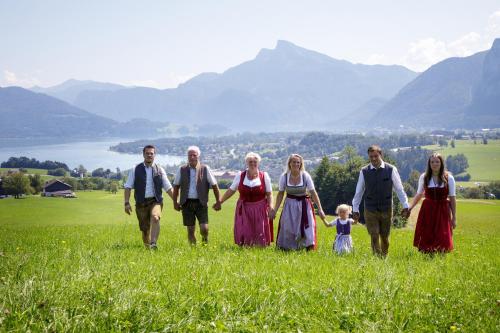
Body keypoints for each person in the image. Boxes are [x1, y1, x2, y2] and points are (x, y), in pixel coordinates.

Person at [352, 145, 410, 257]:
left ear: (381, 155)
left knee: (384, 236)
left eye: (375, 156)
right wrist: (355, 209)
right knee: (374, 235)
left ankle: (384, 256)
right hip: (370, 208)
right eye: (371, 157)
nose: (373, 159)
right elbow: (359, 191)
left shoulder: (391, 169)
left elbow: (399, 189)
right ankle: (376, 258)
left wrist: (405, 205)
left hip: (386, 208)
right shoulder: (364, 171)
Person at [215, 152, 274, 246]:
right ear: (247, 163)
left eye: (255, 162)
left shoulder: (264, 176)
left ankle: (260, 247)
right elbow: (231, 190)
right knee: (245, 229)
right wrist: (220, 201)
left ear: (258, 163)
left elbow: (269, 193)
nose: (253, 164)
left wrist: (270, 207)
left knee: (259, 229)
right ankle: (246, 247)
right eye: (250, 162)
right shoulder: (240, 175)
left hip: (260, 207)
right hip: (244, 208)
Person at [271, 154, 326, 250]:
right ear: (289, 164)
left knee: (308, 227)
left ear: (301, 164)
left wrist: (320, 209)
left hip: (304, 204)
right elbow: (280, 194)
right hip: (289, 205)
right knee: (288, 227)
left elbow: (313, 192)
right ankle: (288, 248)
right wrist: (275, 210)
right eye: (294, 162)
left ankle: (308, 247)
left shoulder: (305, 176)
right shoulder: (284, 177)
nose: (296, 164)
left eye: (298, 162)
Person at [124, 145, 174, 250]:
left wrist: (177, 201)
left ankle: (153, 244)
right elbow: (128, 186)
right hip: (141, 203)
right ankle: (148, 250)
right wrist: (126, 203)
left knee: (155, 217)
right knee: (145, 231)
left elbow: (168, 187)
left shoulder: (160, 169)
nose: (149, 155)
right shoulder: (135, 169)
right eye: (147, 153)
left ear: (154, 155)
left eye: (152, 153)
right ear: (143, 154)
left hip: (155, 201)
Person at [172, 146, 221, 245]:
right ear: (187, 156)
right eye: (190, 155)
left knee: (204, 228)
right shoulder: (181, 169)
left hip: (201, 203)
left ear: (198, 156)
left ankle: (204, 241)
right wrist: (175, 203)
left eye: (194, 155)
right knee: (190, 229)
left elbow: (215, 185)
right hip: (186, 203)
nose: (192, 157)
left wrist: (218, 201)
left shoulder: (205, 169)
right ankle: (193, 250)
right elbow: (176, 187)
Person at [409, 153, 456, 253]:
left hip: (443, 210)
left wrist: (454, 217)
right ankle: (426, 255)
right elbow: (419, 194)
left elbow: (452, 198)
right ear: (429, 164)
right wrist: (410, 207)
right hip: (427, 209)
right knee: (427, 233)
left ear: (441, 163)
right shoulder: (424, 177)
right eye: (432, 162)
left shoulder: (449, 178)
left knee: (442, 235)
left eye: (437, 162)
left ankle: (441, 256)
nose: (435, 164)